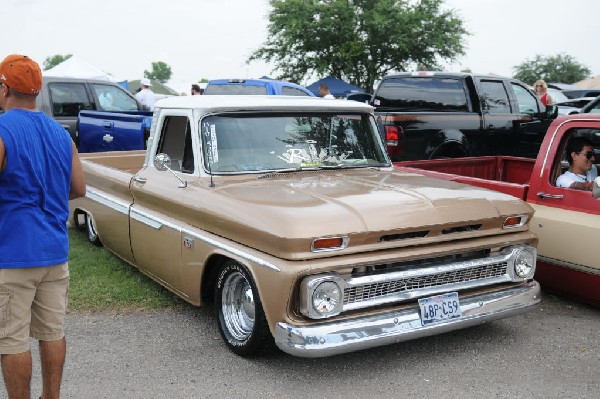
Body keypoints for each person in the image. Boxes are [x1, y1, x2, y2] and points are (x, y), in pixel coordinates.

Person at [0, 54, 86, 399]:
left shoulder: (4, 129)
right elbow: (78, 189)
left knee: (12, 339)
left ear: (5, 88)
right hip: (54, 252)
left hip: (13, 254)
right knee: (52, 332)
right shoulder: (60, 133)